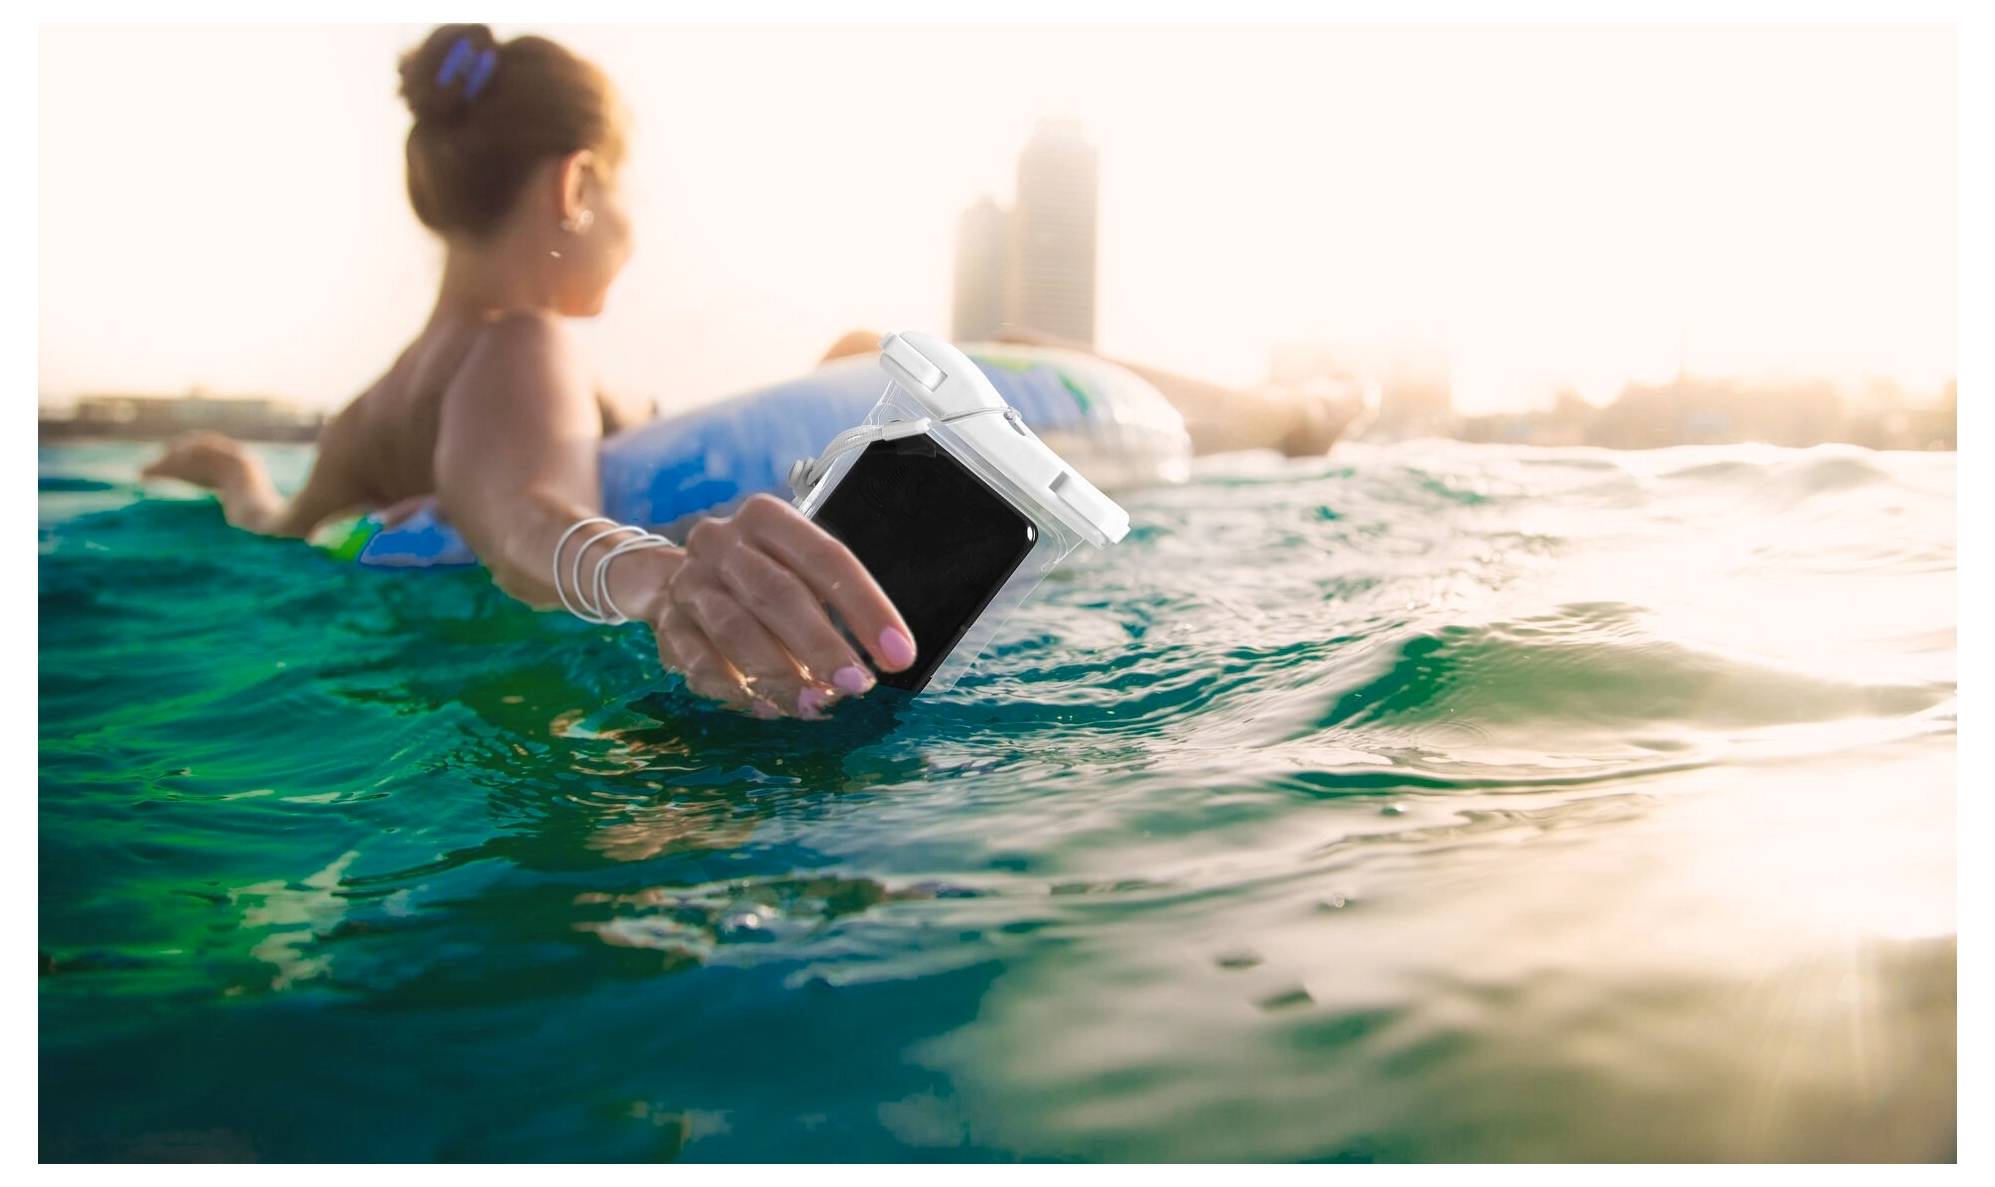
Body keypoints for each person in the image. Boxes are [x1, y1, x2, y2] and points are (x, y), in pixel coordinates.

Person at [142, 24, 1359, 722]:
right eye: (623, 194)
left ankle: (1301, 409)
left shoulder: (386, 399)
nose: (630, 227)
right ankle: (1301, 412)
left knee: (850, 357)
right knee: (958, 357)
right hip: (549, 645)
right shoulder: (521, 346)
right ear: (577, 187)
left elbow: (285, 529)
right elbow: (523, 519)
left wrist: (237, 476)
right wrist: (669, 573)